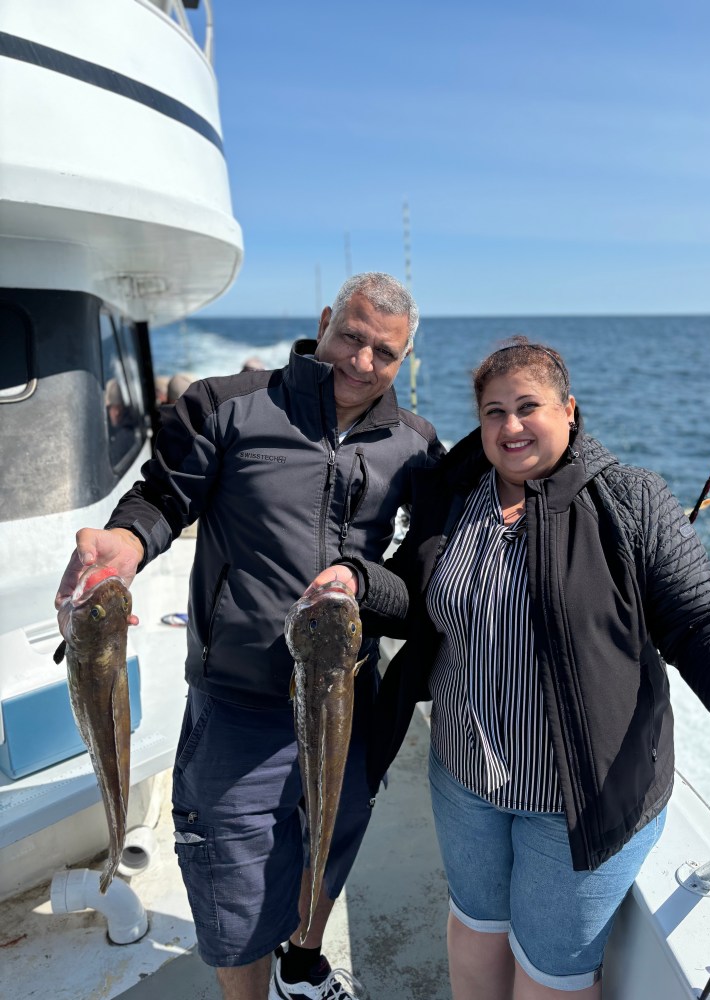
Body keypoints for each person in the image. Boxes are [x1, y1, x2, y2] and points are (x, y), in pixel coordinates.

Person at [307, 335, 710, 999]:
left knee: (549, 978)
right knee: (474, 931)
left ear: (569, 409)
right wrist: (359, 583)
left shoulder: (633, 500)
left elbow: (701, 622)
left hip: (577, 800)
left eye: (527, 407)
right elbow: (416, 592)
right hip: (463, 776)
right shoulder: (456, 492)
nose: (510, 426)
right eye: (493, 411)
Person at [54, 273, 444, 1000]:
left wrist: (361, 579)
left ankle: (302, 961)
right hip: (240, 702)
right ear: (325, 321)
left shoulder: (415, 444)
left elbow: (420, 571)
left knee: (330, 840)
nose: (362, 363)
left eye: (384, 354)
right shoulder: (226, 406)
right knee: (233, 886)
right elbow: (163, 497)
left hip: (345, 694)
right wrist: (126, 547)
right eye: (351, 337)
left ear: (406, 357)